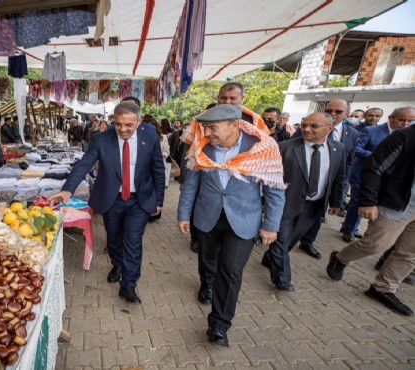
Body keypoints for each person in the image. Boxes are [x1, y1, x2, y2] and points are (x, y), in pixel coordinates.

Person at [177, 104, 285, 346]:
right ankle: (207, 285)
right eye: (204, 127)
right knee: (207, 262)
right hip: (207, 216)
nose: (207, 133)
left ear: (234, 125)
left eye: (212, 128)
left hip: (243, 220)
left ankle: (219, 325)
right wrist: (183, 214)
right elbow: (191, 183)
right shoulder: (201, 146)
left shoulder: (262, 147)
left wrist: (271, 225)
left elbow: (275, 189)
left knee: (231, 271)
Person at [49, 102, 165, 304]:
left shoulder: (150, 138)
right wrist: (68, 189)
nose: (123, 129)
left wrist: (159, 200)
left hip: (140, 199)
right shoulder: (102, 139)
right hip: (112, 198)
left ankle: (128, 285)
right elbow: (85, 164)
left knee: (133, 241)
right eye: (119, 124)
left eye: (129, 124)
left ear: (138, 121)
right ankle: (117, 265)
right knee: (113, 238)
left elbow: (158, 169)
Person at [327, 124, 415, 316]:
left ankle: (384, 288)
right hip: (396, 204)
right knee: (376, 244)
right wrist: (368, 201)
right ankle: (340, 258)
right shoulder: (404, 137)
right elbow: (374, 168)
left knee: (409, 253)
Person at [262, 113, 345, 291]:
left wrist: (336, 202)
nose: (307, 129)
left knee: (291, 240)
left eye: (314, 126)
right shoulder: (284, 147)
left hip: (314, 206)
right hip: (285, 203)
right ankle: (282, 279)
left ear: (329, 128)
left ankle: (270, 258)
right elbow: (269, 177)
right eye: (304, 125)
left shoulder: (338, 149)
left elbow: (339, 177)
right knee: (281, 241)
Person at [295, 100, 359, 257]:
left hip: (325, 186)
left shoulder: (352, 134)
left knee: (316, 218)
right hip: (301, 187)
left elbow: (345, 166)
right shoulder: (306, 129)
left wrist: (337, 199)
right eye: (330, 110)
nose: (333, 114)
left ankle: (307, 242)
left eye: (338, 111)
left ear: (347, 114)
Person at [341, 107, 414, 242]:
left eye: (410, 121)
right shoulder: (371, 131)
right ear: (391, 118)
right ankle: (349, 228)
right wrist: (378, 156)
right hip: (363, 175)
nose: (405, 124)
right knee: (358, 202)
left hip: (389, 182)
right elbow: (356, 149)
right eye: (402, 120)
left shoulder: (409, 137)